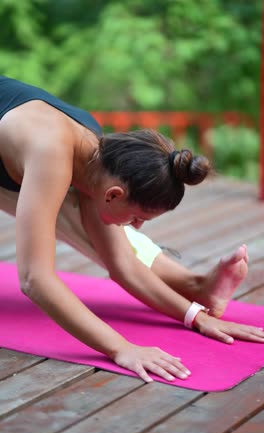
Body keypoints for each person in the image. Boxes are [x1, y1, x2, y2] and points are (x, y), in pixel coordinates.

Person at [0, 76, 263, 384]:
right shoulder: (52, 155)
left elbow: (123, 264)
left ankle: (195, 287)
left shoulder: (96, 156)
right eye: (138, 217)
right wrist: (120, 348)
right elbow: (35, 279)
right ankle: (193, 284)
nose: (135, 228)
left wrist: (197, 318)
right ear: (114, 194)